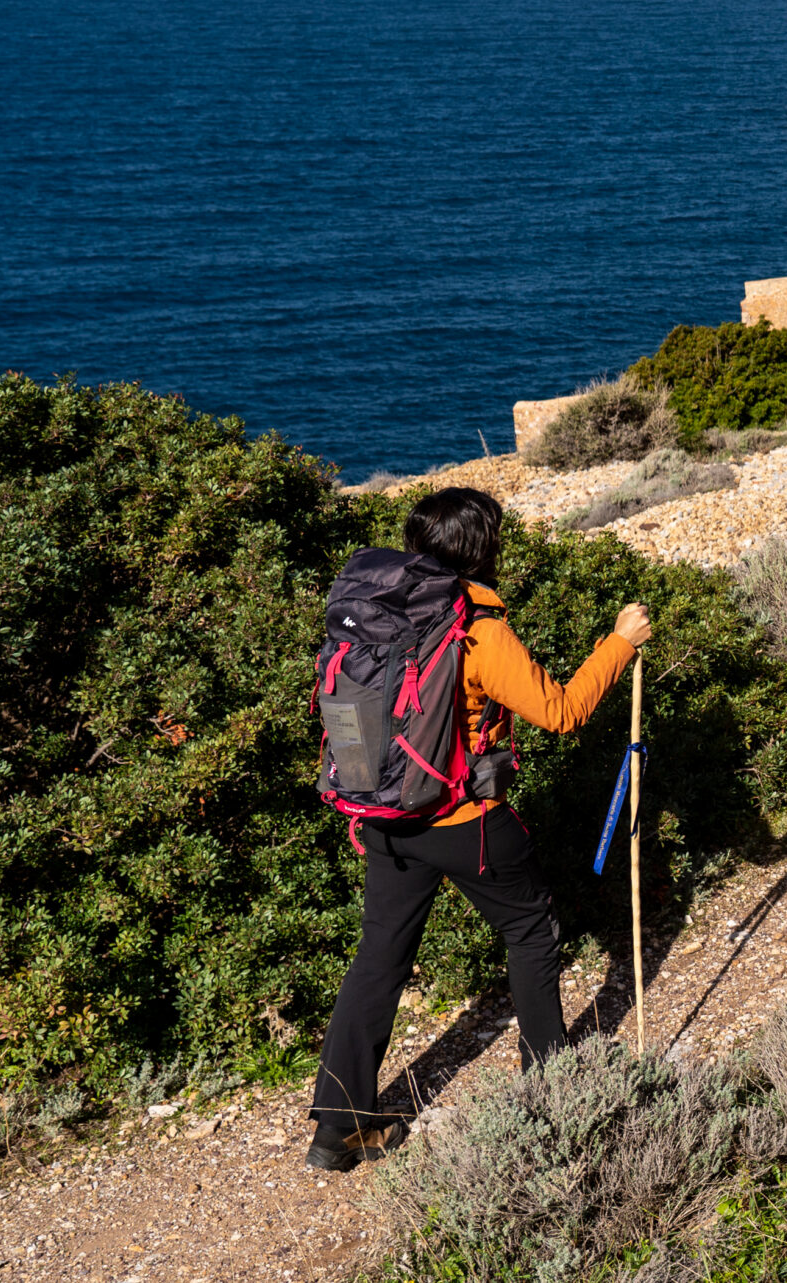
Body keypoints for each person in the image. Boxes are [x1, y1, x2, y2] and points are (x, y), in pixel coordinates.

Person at [309, 486, 649, 1173]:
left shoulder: (373, 610)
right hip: (465, 820)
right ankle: (553, 1091)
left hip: (382, 817)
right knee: (530, 929)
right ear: (483, 547)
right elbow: (561, 710)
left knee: (380, 957)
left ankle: (336, 1129)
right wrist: (619, 642)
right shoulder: (474, 625)